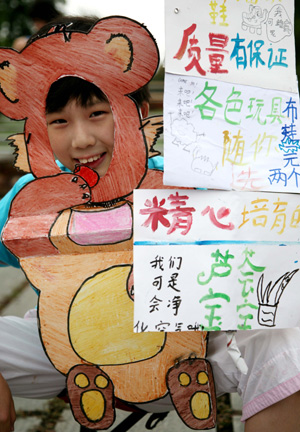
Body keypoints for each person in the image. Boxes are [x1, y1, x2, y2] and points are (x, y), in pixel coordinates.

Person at [1, 15, 300, 432]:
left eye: (98, 112)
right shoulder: (30, 200)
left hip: (194, 348)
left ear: (138, 111)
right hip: (70, 351)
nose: (82, 139)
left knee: (284, 333)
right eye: (59, 121)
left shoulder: (185, 179)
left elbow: (262, 237)